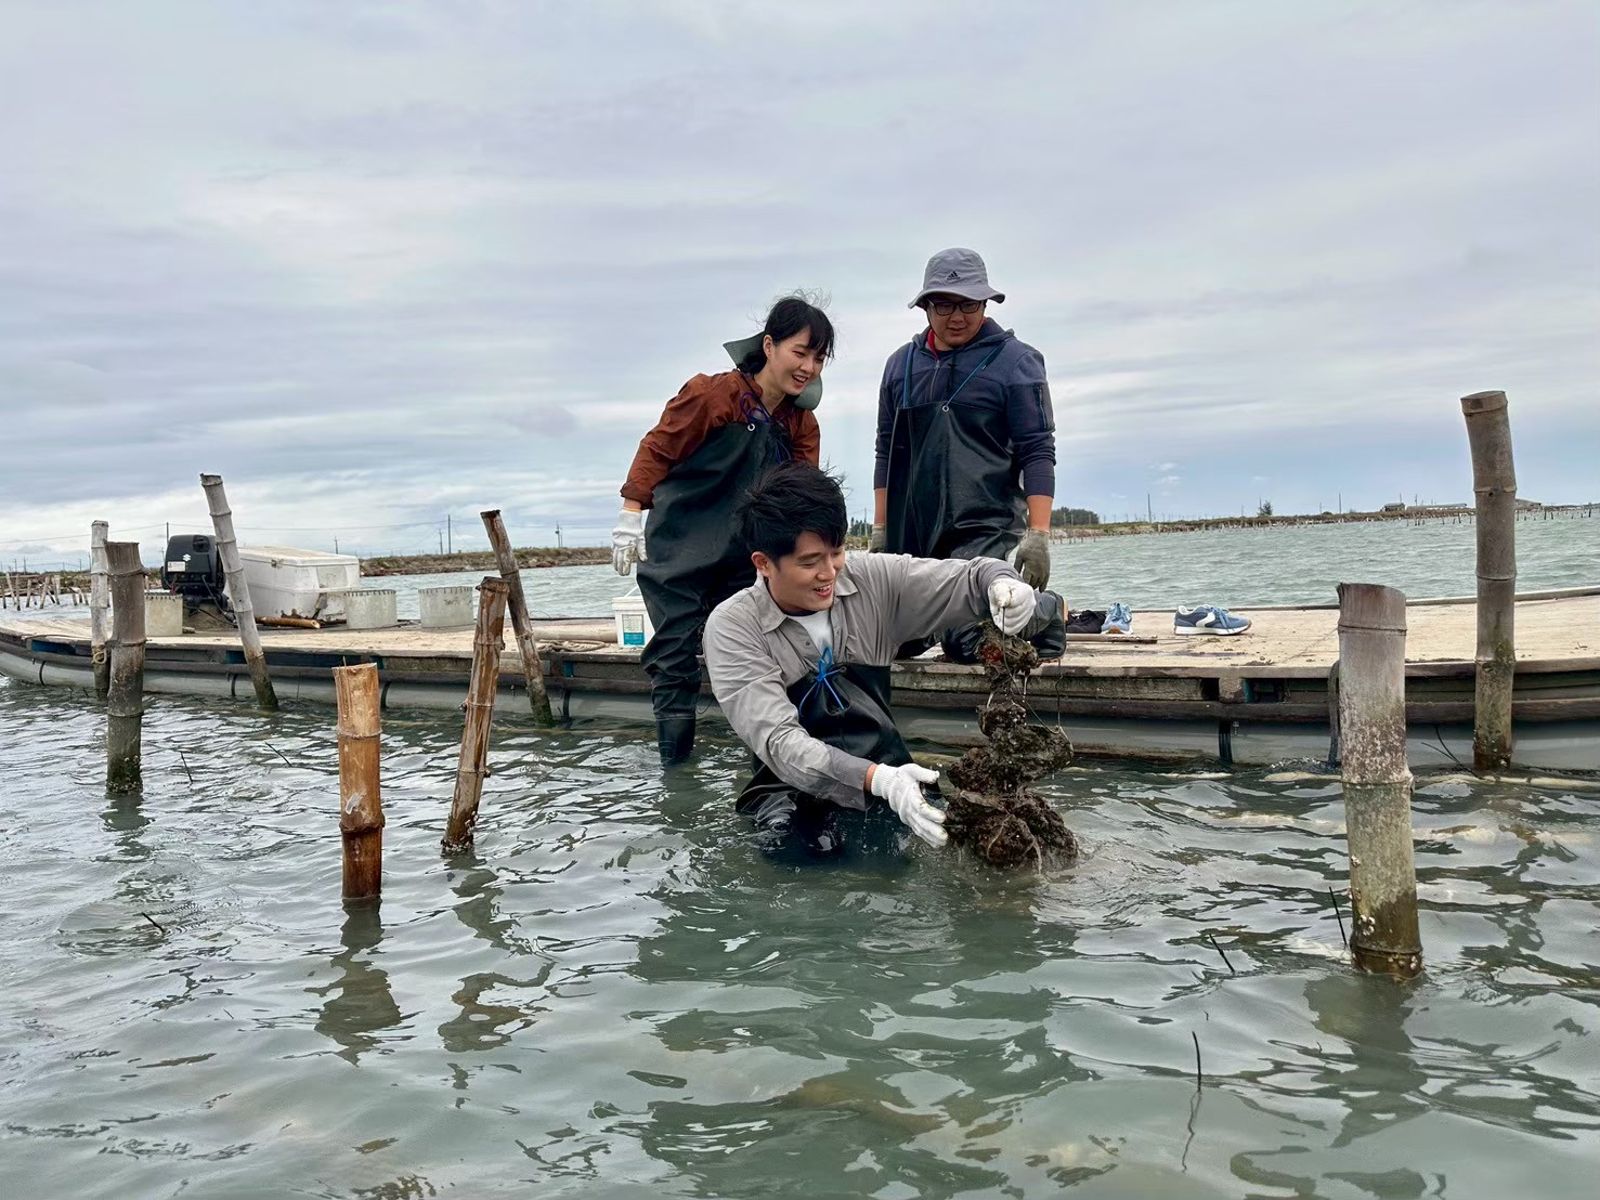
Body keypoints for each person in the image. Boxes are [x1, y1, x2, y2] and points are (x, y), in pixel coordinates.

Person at [705, 462, 1053, 856]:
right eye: (809, 562)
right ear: (764, 563)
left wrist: (1001, 583)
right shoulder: (733, 628)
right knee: (797, 853)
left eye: (836, 552)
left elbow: (967, 578)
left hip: (893, 769)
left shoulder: (873, 579)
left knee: (959, 845)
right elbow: (782, 744)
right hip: (789, 786)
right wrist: (875, 780)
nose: (828, 574)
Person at [611, 295, 831, 766]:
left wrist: (819, 554)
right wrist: (631, 514)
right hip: (679, 552)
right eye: (800, 352)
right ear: (769, 346)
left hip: (744, 560)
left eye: (818, 358)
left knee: (758, 654)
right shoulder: (713, 395)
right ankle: (676, 777)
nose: (808, 367)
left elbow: (803, 498)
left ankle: (766, 770)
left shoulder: (800, 423)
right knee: (674, 658)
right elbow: (658, 449)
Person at [871, 247, 1059, 659]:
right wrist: (881, 528)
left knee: (965, 638)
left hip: (982, 526)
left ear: (985, 304)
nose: (956, 317)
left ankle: (1048, 610)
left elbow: (1037, 451)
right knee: (890, 641)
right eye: (944, 304)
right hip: (914, 530)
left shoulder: (1017, 363)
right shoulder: (900, 367)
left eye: (968, 304)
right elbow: (886, 451)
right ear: (925, 306)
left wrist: (1038, 535)